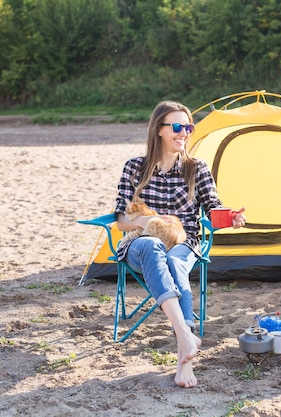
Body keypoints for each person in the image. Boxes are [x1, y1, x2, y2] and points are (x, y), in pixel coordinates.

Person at [114, 100, 246, 388]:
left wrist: (230, 217)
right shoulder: (135, 167)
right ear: (158, 130)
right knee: (152, 247)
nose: (184, 132)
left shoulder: (195, 169)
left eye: (188, 127)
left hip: (183, 242)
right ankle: (186, 336)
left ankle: (184, 357)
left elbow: (213, 208)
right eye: (177, 126)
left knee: (174, 261)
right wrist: (149, 225)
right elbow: (122, 220)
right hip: (139, 245)